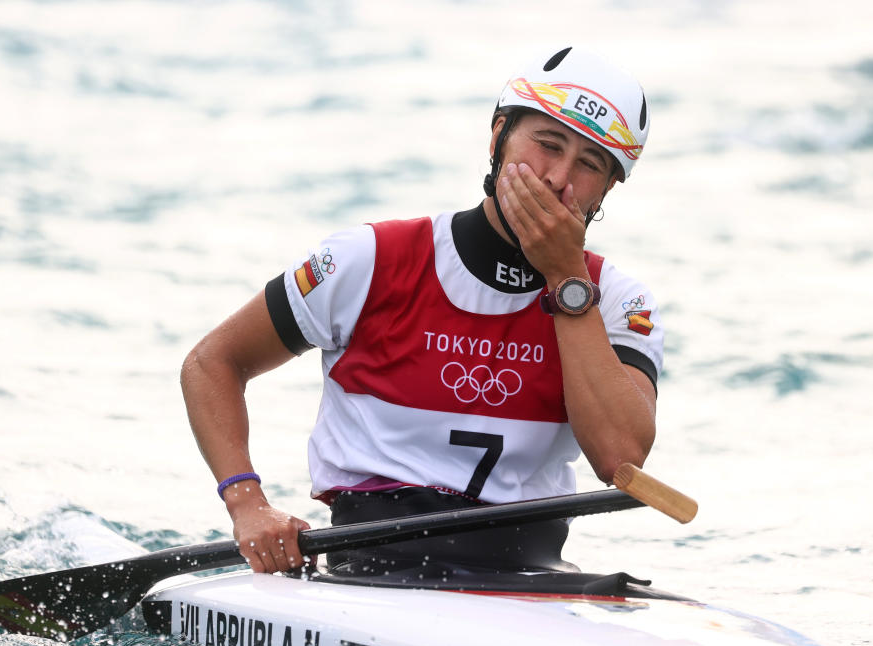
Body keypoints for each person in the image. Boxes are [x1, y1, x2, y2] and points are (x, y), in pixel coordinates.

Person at [181, 45, 663, 577]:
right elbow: (212, 364)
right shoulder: (370, 259)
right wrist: (247, 503)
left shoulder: (616, 300)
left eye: (589, 164)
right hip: (364, 570)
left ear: (609, 188)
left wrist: (567, 281)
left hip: (531, 582)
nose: (556, 179)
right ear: (498, 135)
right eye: (547, 145)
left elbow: (619, 459)